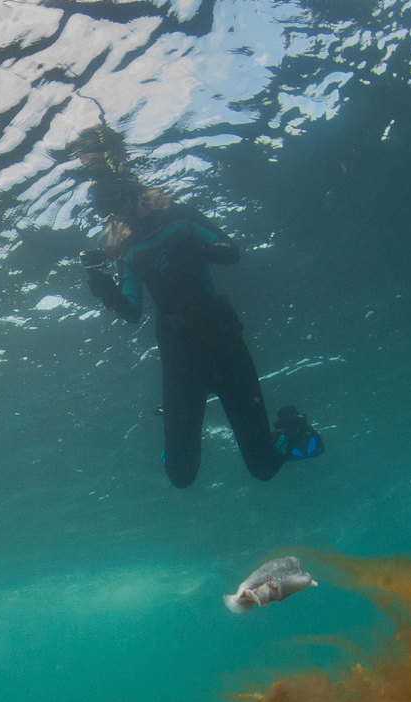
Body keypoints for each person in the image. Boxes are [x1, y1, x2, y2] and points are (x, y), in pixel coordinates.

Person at [72, 133, 324, 489]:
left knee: (263, 467)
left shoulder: (182, 219)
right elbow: (131, 311)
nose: (117, 211)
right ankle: (177, 422)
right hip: (180, 356)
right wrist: (104, 290)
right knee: (180, 475)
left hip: (223, 343)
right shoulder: (128, 250)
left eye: (116, 199)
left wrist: (195, 251)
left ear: (132, 190)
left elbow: (230, 251)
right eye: (108, 207)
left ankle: (293, 430)